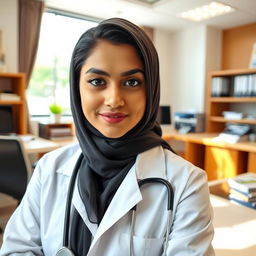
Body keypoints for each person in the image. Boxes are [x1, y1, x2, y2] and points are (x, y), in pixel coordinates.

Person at [0, 18, 214, 255]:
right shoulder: (49, 169)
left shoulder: (187, 184)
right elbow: (17, 249)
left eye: (132, 82)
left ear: (151, 89)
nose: (114, 100)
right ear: (77, 88)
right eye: (97, 81)